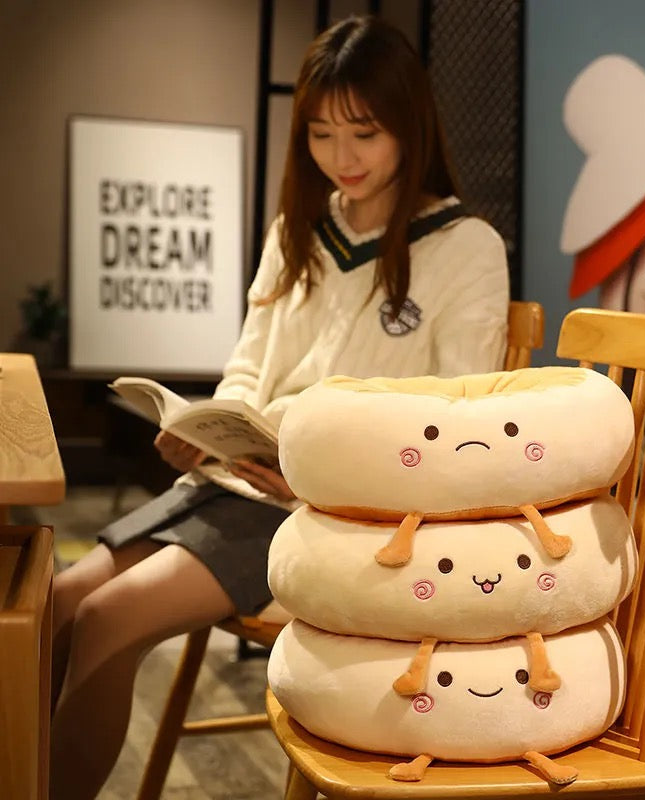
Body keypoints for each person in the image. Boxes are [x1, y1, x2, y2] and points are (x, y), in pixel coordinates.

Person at [50, 15, 509, 799]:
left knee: (105, 616)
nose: (342, 157)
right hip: (240, 482)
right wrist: (210, 431)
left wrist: (324, 482)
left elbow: (459, 427)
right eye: (322, 134)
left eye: (363, 133)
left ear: (410, 125)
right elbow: (247, 369)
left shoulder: (464, 246)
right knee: (56, 600)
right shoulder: (300, 230)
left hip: (332, 515)